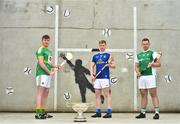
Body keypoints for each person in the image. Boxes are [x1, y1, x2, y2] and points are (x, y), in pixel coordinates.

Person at [35, 35, 63, 119]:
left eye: (48, 40)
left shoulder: (49, 51)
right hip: (41, 73)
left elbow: (48, 63)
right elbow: (41, 63)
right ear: (42, 40)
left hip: (47, 74)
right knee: (40, 92)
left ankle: (43, 112)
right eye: (45, 40)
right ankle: (38, 113)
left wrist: (55, 66)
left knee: (46, 92)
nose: (46, 42)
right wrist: (49, 72)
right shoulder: (40, 50)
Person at [135, 38, 161, 119]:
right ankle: (143, 113)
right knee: (143, 95)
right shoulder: (138, 55)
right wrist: (138, 72)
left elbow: (159, 64)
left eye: (146, 44)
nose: (145, 45)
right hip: (141, 77)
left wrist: (152, 65)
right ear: (142, 45)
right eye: (144, 44)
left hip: (150, 76)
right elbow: (136, 66)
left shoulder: (153, 53)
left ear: (149, 44)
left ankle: (157, 113)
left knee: (153, 94)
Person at [90, 40, 116, 118]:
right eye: (100, 45)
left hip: (105, 78)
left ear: (105, 46)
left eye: (103, 45)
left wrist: (109, 65)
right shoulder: (95, 56)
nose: (102, 47)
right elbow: (91, 66)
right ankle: (98, 112)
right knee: (97, 95)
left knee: (107, 95)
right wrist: (91, 75)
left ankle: (109, 112)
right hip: (97, 78)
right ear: (99, 46)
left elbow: (114, 66)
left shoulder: (108, 55)